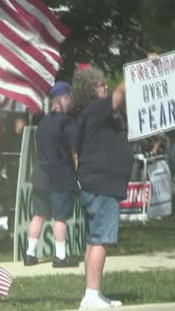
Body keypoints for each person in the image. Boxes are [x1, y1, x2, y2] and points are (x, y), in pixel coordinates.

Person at [71, 67, 133, 309]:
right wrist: (146, 69)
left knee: (93, 240)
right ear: (90, 90)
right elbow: (120, 92)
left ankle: (93, 293)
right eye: (100, 85)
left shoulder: (90, 115)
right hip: (102, 184)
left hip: (94, 183)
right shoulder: (96, 109)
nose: (105, 87)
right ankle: (92, 295)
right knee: (101, 240)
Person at [24, 81, 80, 268]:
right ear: (63, 98)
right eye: (69, 98)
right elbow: (75, 153)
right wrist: (79, 176)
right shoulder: (68, 123)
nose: (71, 102)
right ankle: (60, 257)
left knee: (38, 215)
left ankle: (29, 254)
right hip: (61, 177)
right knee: (60, 218)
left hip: (40, 176)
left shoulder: (42, 123)